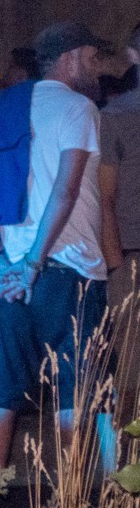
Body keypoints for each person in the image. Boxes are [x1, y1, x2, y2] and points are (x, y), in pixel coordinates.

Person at [0, 22, 113, 467]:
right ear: (69, 58)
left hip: (10, 273)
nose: (97, 67)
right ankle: (77, 496)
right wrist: (34, 264)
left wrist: (0, 261)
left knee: (2, 390)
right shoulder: (78, 107)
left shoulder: (5, 107)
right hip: (66, 268)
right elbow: (66, 189)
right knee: (80, 388)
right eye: (92, 57)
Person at [95, 23, 140, 309]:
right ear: (133, 55)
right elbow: (104, 197)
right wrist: (117, 267)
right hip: (132, 252)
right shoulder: (115, 116)